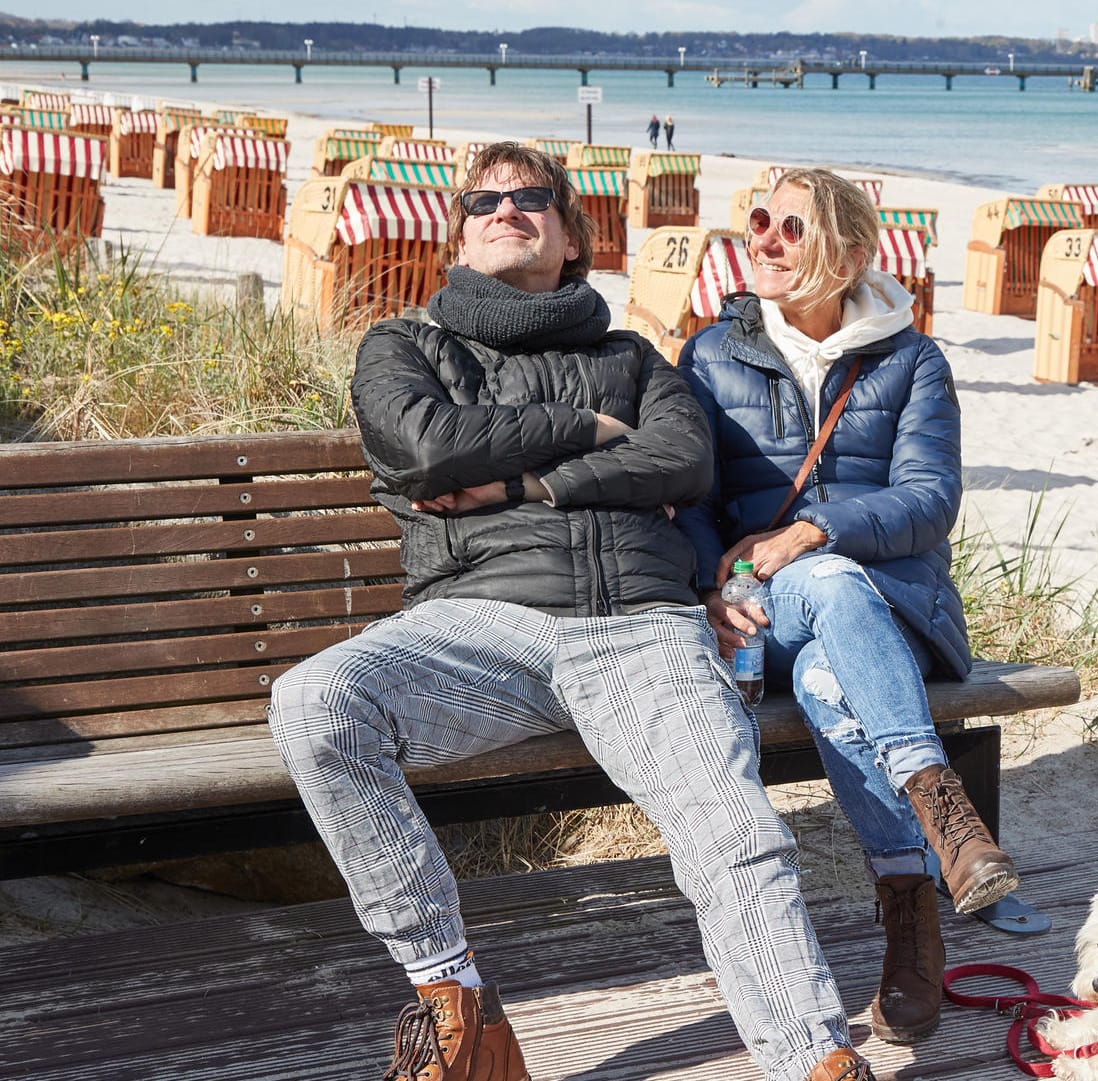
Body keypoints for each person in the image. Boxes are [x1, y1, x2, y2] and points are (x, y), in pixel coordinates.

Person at [268, 143, 876, 1081]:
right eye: (485, 199)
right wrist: (588, 431)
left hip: (639, 624)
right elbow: (425, 448)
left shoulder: (632, 356)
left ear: (572, 232)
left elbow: (682, 461)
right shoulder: (405, 345)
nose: (507, 209)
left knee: (730, 825)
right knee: (315, 703)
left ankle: (815, 1057)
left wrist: (520, 482)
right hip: (474, 625)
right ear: (460, 232)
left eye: (531, 197)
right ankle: (457, 1006)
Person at [677, 168, 1019, 1046]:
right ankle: (937, 809)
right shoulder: (713, 355)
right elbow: (689, 503)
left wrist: (815, 530)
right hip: (764, 619)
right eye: (758, 222)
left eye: (792, 227)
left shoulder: (911, 359)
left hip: (895, 607)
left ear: (856, 251)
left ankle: (910, 910)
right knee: (820, 599)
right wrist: (712, 585)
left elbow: (929, 499)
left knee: (833, 675)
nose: (765, 240)